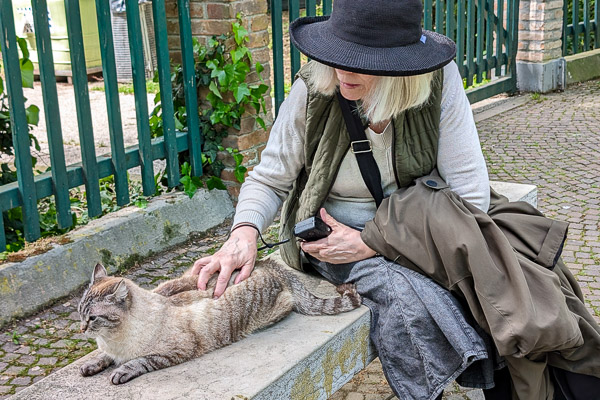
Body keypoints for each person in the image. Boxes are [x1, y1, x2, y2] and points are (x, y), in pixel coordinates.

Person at [189, 0, 600, 399]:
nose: (342, 69)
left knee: (497, 287)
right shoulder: (313, 88)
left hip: (421, 233)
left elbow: (471, 195)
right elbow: (270, 178)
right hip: (334, 243)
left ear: (400, 68)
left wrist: (376, 240)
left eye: (361, 60)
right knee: (405, 298)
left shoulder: (438, 82)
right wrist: (242, 234)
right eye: (338, 53)